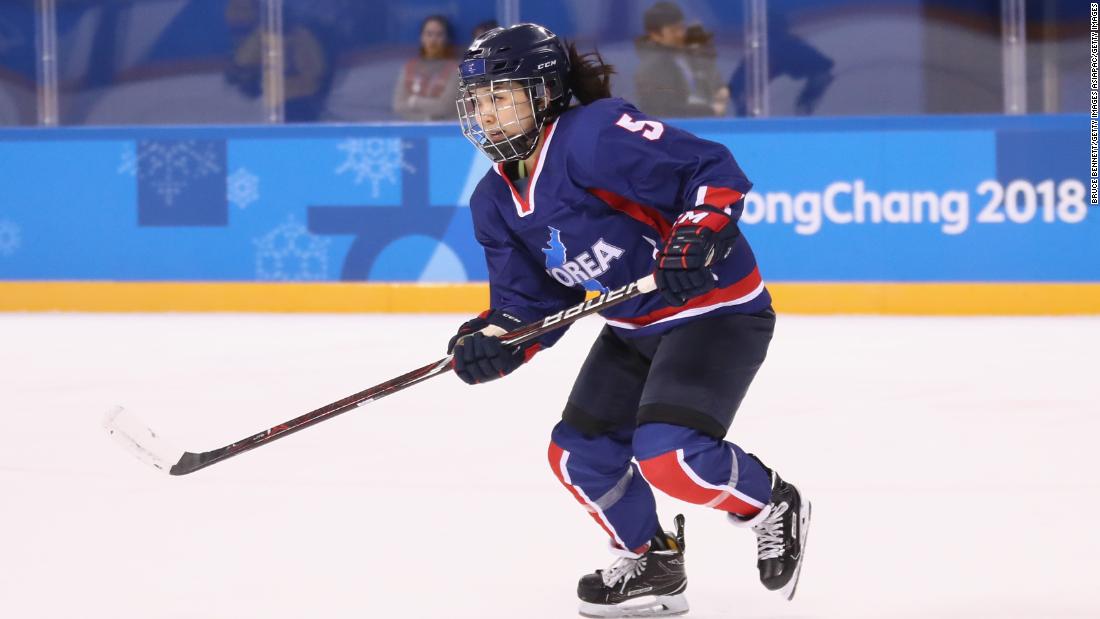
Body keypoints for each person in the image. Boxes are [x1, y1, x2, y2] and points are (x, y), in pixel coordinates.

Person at [448, 24, 811, 617]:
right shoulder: (492, 201)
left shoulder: (592, 135)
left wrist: (699, 233)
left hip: (713, 313)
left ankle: (770, 503)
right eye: (479, 101)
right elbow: (529, 305)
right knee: (577, 456)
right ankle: (653, 562)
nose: (487, 115)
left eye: (501, 96)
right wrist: (491, 341)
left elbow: (712, 170)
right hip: (634, 328)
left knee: (671, 457)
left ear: (543, 94)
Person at [634, 1, 728, 118]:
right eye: (673, 30)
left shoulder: (691, 56)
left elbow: (712, 79)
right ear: (655, 35)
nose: (680, 34)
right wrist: (711, 110)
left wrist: (719, 89)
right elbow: (664, 110)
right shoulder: (650, 68)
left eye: (681, 28)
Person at [392, 15, 460, 121]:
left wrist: (414, 102)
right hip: (411, 129)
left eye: (439, 35)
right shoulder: (409, 68)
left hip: (443, 131)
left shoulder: (455, 70)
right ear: (422, 37)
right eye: (429, 34)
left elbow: (445, 107)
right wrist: (425, 117)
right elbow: (398, 106)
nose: (433, 40)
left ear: (446, 39)